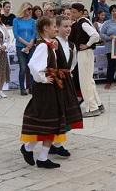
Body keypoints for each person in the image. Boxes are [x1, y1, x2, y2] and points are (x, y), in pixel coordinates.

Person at [19, 16, 66, 169]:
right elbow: (32, 65)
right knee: (48, 121)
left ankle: (38, 154)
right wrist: (43, 79)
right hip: (45, 88)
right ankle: (31, 150)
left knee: (51, 122)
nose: (56, 29)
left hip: (50, 87)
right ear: (46, 28)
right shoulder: (42, 46)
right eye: (54, 26)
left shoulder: (47, 45)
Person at [52, 15, 84, 158]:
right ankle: (50, 144)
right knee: (55, 114)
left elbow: (73, 62)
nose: (68, 29)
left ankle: (56, 145)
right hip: (55, 82)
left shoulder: (71, 45)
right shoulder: (53, 44)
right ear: (57, 28)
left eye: (70, 26)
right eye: (65, 26)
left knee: (68, 113)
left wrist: (68, 72)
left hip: (67, 81)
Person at [69, 3, 104, 117]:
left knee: (85, 81)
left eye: (74, 12)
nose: (73, 14)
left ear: (80, 12)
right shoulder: (83, 22)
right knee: (89, 80)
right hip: (85, 53)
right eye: (72, 12)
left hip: (84, 53)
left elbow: (95, 36)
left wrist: (87, 45)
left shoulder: (83, 23)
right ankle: (97, 104)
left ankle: (92, 108)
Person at [13, 2, 36, 96]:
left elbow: (34, 33)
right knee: (23, 67)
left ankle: (31, 86)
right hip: (20, 46)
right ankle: (22, 88)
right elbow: (16, 34)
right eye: (29, 9)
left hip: (31, 46)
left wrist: (30, 44)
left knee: (30, 66)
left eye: (31, 9)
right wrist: (26, 43)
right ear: (24, 9)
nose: (30, 11)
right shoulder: (16, 20)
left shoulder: (32, 21)